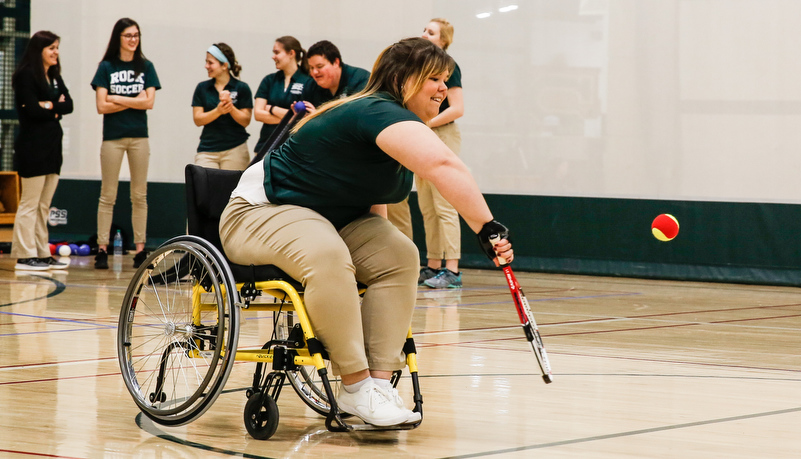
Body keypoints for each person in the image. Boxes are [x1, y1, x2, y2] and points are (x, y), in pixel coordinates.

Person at [219, 37, 513, 427]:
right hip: (259, 213)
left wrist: (380, 258)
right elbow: (444, 165)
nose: (445, 88)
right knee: (327, 254)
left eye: (447, 80)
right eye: (435, 79)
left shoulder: (398, 130)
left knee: (400, 256)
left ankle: (376, 386)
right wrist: (487, 227)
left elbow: (375, 205)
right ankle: (355, 386)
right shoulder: (374, 109)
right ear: (402, 79)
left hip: (331, 221)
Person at [388, 18, 466, 289]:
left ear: (443, 41)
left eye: (431, 32)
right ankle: (433, 266)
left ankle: (453, 270)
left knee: (444, 203)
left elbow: (457, 108)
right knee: (427, 206)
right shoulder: (420, 68)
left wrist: (424, 124)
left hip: (441, 133)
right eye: (424, 30)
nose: (424, 34)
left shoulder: (448, 67)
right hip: (423, 133)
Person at [91, 17, 160, 270]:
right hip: (112, 138)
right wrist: (135, 98)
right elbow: (101, 106)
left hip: (139, 136)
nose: (133, 40)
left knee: (139, 194)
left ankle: (140, 250)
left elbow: (149, 102)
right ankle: (101, 249)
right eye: (128, 35)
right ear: (118, 38)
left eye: (136, 35)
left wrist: (116, 97)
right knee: (107, 195)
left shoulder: (147, 66)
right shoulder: (106, 66)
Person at [11, 31, 73, 271]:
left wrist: (49, 105)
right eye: (51, 48)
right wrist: (52, 108)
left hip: (52, 148)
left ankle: (40, 251)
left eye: (57, 47)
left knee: (43, 205)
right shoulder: (26, 75)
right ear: (39, 51)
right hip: (32, 148)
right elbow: (32, 111)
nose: (56, 52)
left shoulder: (54, 77)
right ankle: (24, 255)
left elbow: (69, 104)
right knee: (30, 203)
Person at [192, 43, 252, 169]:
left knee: (232, 188)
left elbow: (245, 121)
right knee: (204, 186)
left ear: (224, 65)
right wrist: (218, 111)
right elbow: (198, 119)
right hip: (208, 149)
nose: (206, 66)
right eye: (206, 62)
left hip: (235, 147)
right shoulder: (202, 88)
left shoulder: (242, 88)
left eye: (210, 63)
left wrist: (230, 107)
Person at [253, 36, 314, 154]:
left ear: (291, 53)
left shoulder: (309, 82)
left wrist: (272, 109)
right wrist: (291, 117)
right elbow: (258, 114)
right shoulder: (269, 80)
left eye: (277, 52)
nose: (273, 56)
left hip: (292, 149)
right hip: (265, 147)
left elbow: (304, 118)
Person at [305, 40, 369, 107]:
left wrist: (318, 116)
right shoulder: (311, 86)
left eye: (319, 66)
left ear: (336, 63)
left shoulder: (361, 81)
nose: (314, 72)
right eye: (311, 68)